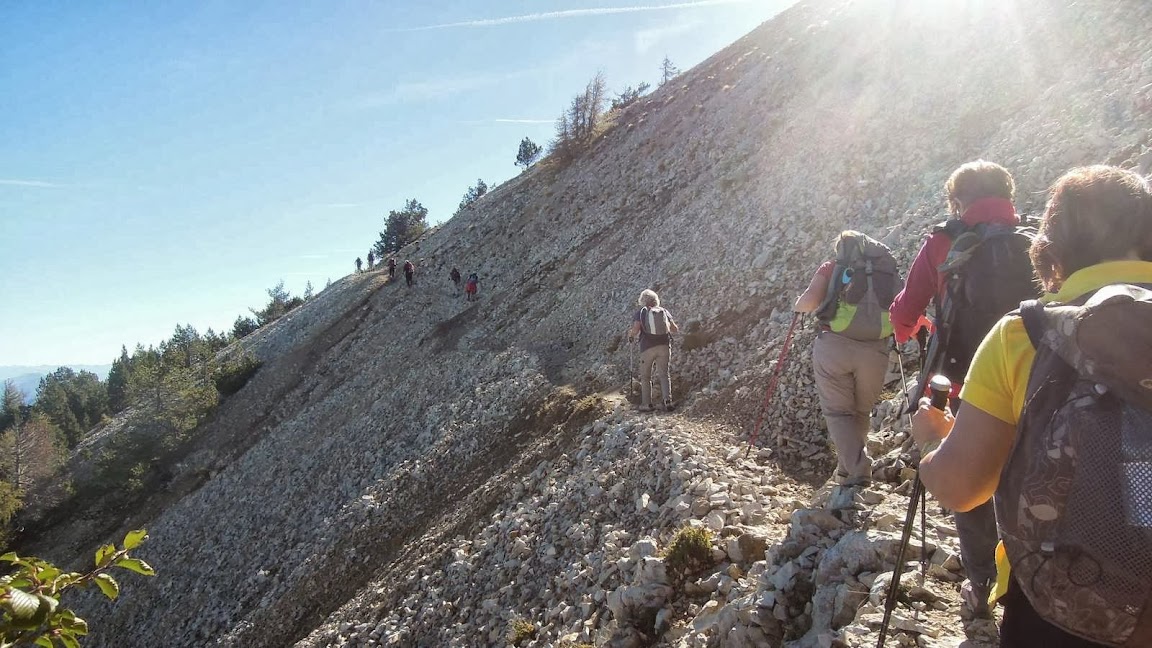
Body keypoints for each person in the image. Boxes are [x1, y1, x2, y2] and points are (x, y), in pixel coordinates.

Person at [911, 165, 1152, 647]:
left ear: (1050, 251)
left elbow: (963, 489)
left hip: (1061, 612)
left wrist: (932, 441)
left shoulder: (1025, 337)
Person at [889, 160, 1030, 616]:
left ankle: (983, 585)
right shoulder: (1035, 237)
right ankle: (1031, 579)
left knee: (972, 478)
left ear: (958, 201)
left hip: (961, 379)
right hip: (1032, 375)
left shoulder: (944, 241)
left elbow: (906, 310)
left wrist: (915, 329)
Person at [793, 230, 898, 487]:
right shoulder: (885, 270)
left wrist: (796, 304)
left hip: (835, 346)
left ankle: (860, 471)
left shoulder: (833, 267)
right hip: (875, 349)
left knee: (838, 413)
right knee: (860, 412)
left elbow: (808, 302)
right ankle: (846, 469)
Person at [627, 289, 680, 412]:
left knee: (646, 377)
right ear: (656, 299)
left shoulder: (641, 312)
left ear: (642, 300)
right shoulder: (664, 311)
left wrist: (630, 336)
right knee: (664, 374)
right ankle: (667, 401)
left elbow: (636, 329)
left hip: (647, 348)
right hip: (664, 346)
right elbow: (674, 329)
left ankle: (647, 404)